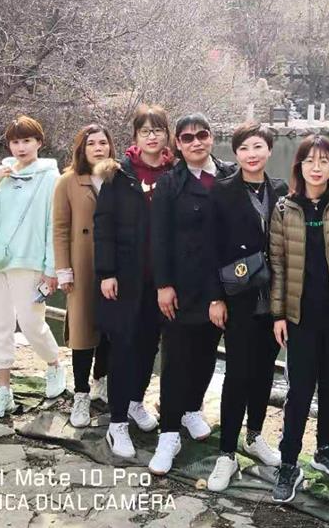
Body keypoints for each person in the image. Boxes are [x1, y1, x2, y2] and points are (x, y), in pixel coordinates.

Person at [269, 135, 329, 504]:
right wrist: (278, 314)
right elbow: (278, 265)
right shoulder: (284, 209)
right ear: (300, 166)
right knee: (299, 391)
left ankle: (325, 449)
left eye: (324, 161)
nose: (316, 167)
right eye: (310, 160)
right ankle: (288, 462)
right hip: (299, 316)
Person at [148, 113, 236, 475]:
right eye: (187, 138)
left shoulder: (230, 175)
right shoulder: (171, 183)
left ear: (212, 137)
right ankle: (169, 432)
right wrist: (163, 285)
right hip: (183, 285)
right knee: (176, 359)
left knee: (206, 354)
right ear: (178, 144)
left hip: (223, 284)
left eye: (202, 135)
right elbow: (159, 237)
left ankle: (191, 409)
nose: (196, 142)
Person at [206, 123, 288, 491]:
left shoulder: (281, 190)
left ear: (269, 149)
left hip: (274, 300)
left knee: (264, 371)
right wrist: (215, 297)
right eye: (244, 148)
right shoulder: (222, 191)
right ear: (235, 153)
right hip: (238, 296)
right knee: (238, 373)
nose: (251, 154)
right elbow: (210, 248)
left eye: (258, 146)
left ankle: (254, 436)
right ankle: (226, 452)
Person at [93, 105, 175, 458]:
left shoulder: (175, 172)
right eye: (145, 131)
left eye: (158, 130)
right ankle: (117, 423)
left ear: (167, 135)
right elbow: (103, 225)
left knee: (148, 346)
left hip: (162, 281)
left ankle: (135, 402)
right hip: (126, 278)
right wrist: (106, 272)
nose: (152, 136)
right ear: (135, 137)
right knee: (124, 347)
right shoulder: (120, 174)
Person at [0, 115, 65, 418]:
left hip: (29, 260)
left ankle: (54, 364)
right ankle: (4, 392)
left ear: (39, 142)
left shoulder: (51, 178)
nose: (21, 147)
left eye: (27, 140)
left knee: (30, 321)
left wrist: (51, 269)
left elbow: (54, 225)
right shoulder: (3, 173)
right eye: (15, 141)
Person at [53, 124, 115, 428]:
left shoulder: (117, 177)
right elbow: (60, 228)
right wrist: (63, 269)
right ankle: (80, 393)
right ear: (82, 148)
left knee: (109, 327)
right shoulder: (68, 181)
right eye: (92, 143)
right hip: (82, 263)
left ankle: (101, 380)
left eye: (103, 142)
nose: (98, 148)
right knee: (82, 329)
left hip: (113, 264)